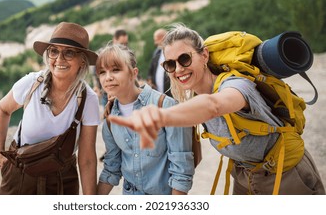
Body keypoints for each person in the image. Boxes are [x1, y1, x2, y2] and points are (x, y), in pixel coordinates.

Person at [108, 23, 325, 195]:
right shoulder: (193, 94)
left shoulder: (235, 85)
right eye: (170, 64)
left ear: (204, 55)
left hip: (287, 176)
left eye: (184, 58)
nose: (179, 69)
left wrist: (161, 116)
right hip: (245, 176)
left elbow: (215, 105)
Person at [0, 22, 100, 195]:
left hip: (62, 181)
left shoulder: (89, 99)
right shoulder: (31, 84)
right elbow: (3, 109)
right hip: (20, 175)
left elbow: (87, 158)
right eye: (54, 51)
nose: (59, 59)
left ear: (82, 61)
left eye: (69, 52)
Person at [96, 43, 194, 195]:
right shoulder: (110, 120)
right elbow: (112, 168)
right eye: (102, 72)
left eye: (116, 70)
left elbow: (181, 172)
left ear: (133, 73)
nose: (108, 77)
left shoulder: (165, 106)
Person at [147, 28, 172, 97]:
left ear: (163, 38)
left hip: (171, 95)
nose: (155, 43)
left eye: (156, 40)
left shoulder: (173, 53)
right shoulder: (157, 52)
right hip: (158, 95)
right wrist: (150, 81)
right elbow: (150, 71)